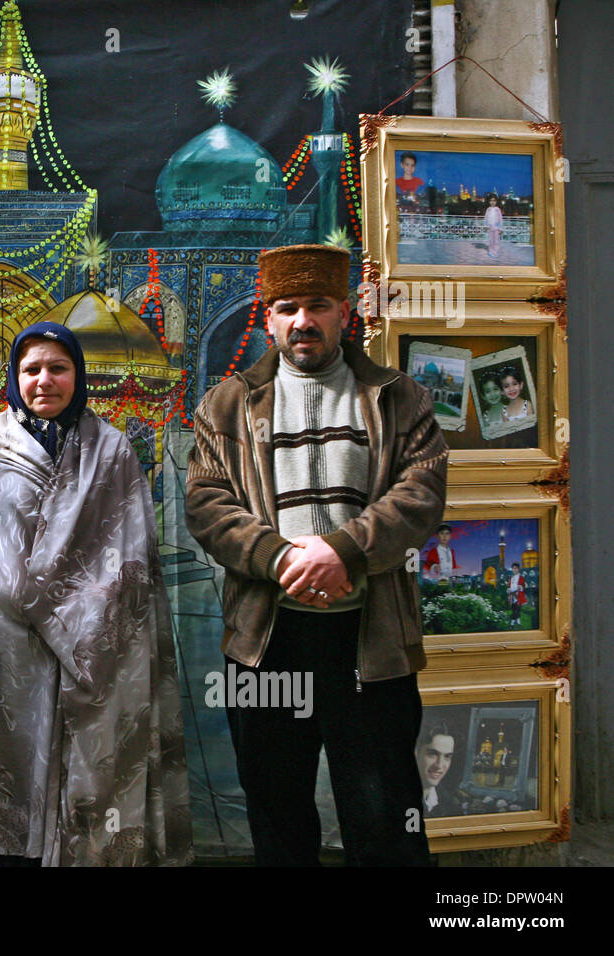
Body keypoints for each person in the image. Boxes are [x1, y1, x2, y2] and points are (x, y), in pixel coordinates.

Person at [185, 243, 448, 866]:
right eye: (287, 307)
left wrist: (341, 552)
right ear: (268, 316)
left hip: (370, 639)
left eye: (318, 305)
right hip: (267, 640)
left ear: (344, 311)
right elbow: (207, 504)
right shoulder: (226, 405)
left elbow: (421, 493)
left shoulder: (398, 396)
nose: (303, 320)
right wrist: (281, 559)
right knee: (277, 810)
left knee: (384, 812)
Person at [0, 322, 191, 866]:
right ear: (14, 378)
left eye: (58, 368)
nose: (45, 380)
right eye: (31, 369)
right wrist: (18, 601)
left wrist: (77, 618)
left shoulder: (112, 451)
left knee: (96, 774)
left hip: (95, 641)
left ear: (78, 376)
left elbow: (128, 552)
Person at [415, 722, 462, 818]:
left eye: (447, 756)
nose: (439, 765)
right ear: (415, 753)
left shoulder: (450, 804)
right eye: (432, 754)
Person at [483, 193, 504, 260]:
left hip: (497, 228)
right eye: (491, 200)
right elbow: (486, 218)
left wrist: (500, 228)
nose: (492, 202)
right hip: (490, 227)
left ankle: (496, 251)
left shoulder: (498, 209)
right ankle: (491, 251)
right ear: (489, 201)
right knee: (491, 240)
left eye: (494, 200)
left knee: (496, 241)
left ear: (496, 201)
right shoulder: (488, 209)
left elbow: (500, 219)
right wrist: (486, 226)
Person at [507, 562, 527, 626]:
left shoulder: (521, 577)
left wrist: (520, 587)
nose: (514, 570)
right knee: (513, 609)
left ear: (518, 569)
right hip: (512, 596)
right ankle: (518, 622)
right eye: (513, 568)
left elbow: (523, 586)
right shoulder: (511, 578)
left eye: (516, 568)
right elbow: (509, 586)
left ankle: (512, 623)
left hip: (518, 596)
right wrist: (509, 591)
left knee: (517, 609)